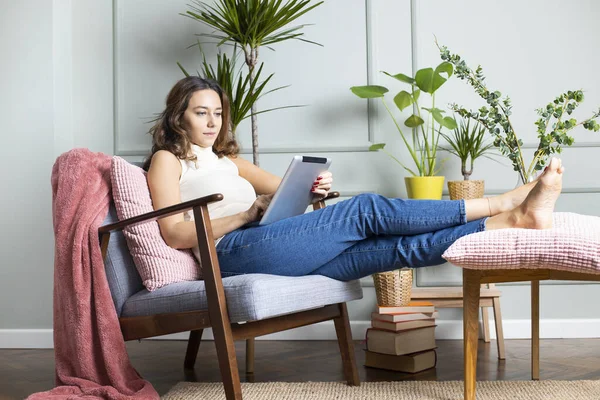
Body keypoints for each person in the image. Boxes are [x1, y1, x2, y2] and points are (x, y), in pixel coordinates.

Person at [144, 76, 564, 281]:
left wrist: (312, 189)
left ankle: (509, 222)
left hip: (270, 242)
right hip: (231, 253)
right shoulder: (168, 160)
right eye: (202, 112)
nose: (213, 121)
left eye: (218, 113)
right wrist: (244, 216)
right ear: (179, 113)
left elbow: (286, 188)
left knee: (395, 249)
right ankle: (500, 203)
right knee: (366, 210)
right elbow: (173, 233)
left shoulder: (229, 161)